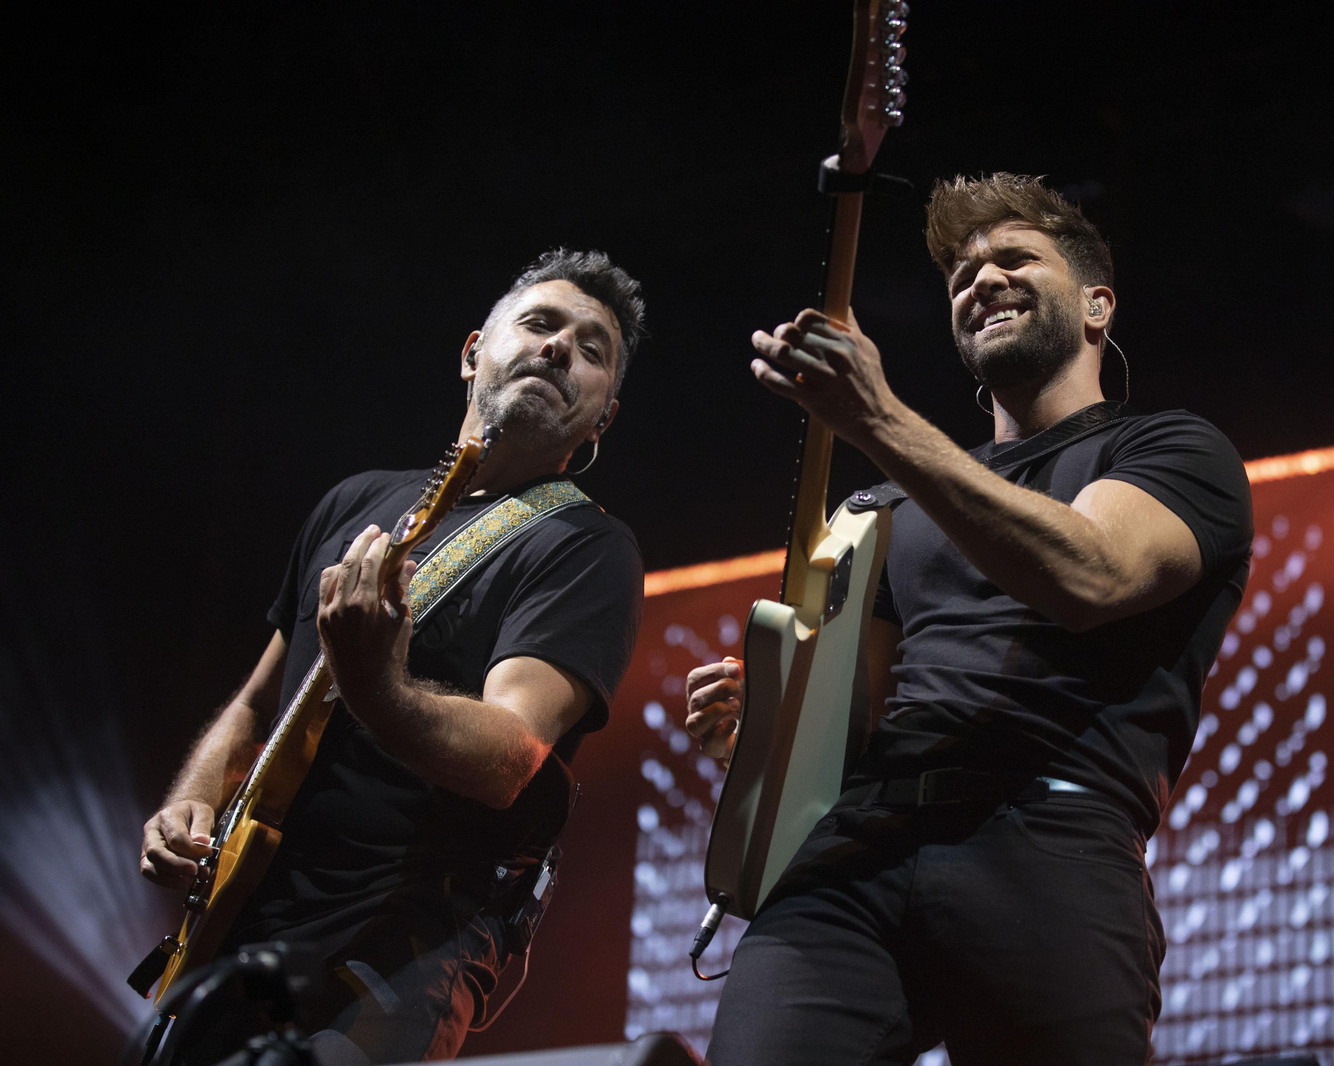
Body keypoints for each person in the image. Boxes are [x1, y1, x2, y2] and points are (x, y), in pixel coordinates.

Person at [685, 174, 1254, 1065]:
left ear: (1097, 304)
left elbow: (1090, 574)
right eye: (962, 276)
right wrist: (766, 738)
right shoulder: (884, 506)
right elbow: (849, 730)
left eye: (1015, 258)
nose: (980, 279)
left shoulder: (1172, 451)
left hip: (1051, 842)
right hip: (853, 860)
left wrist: (878, 419)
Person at [139, 249, 647, 1064]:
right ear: (472, 351)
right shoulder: (356, 499)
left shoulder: (586, 548)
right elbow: (258, 703)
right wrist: (193, 800)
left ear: (604, 417)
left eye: (593, 350)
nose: (561, 349)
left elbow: (509, 757)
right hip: (238, 925)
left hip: (398, 951)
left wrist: (377, 683)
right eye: (541, 324)